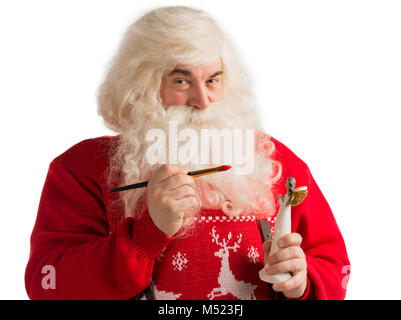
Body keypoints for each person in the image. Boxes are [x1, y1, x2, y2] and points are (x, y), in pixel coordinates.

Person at [25, 6, 350, 300]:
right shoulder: (81, 169)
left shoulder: (272, 161)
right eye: (182, 81)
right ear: (142, 86)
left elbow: (334, 267)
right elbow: (48, 285)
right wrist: (146, 236)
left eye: (212, 80)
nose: (203, 100)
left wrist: (303, 282)